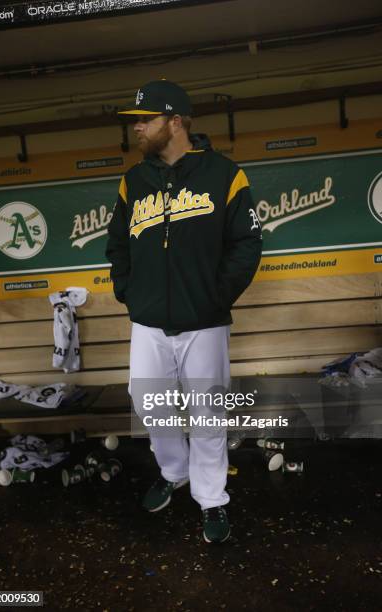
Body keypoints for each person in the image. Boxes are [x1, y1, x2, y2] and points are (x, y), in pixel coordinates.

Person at [106, 79, 262, 543]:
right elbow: (118, 244)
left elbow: (247, 243)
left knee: (209, 413)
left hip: (205, 321)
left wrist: (216, 296)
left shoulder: (224, 174)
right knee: (150, 406)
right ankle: (174, 472)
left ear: (176, 121)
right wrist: (129, 292)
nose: (137, 129)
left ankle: (212, 499)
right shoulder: (133, 180)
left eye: (145, 120)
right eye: (135, 121)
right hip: (148, 320)